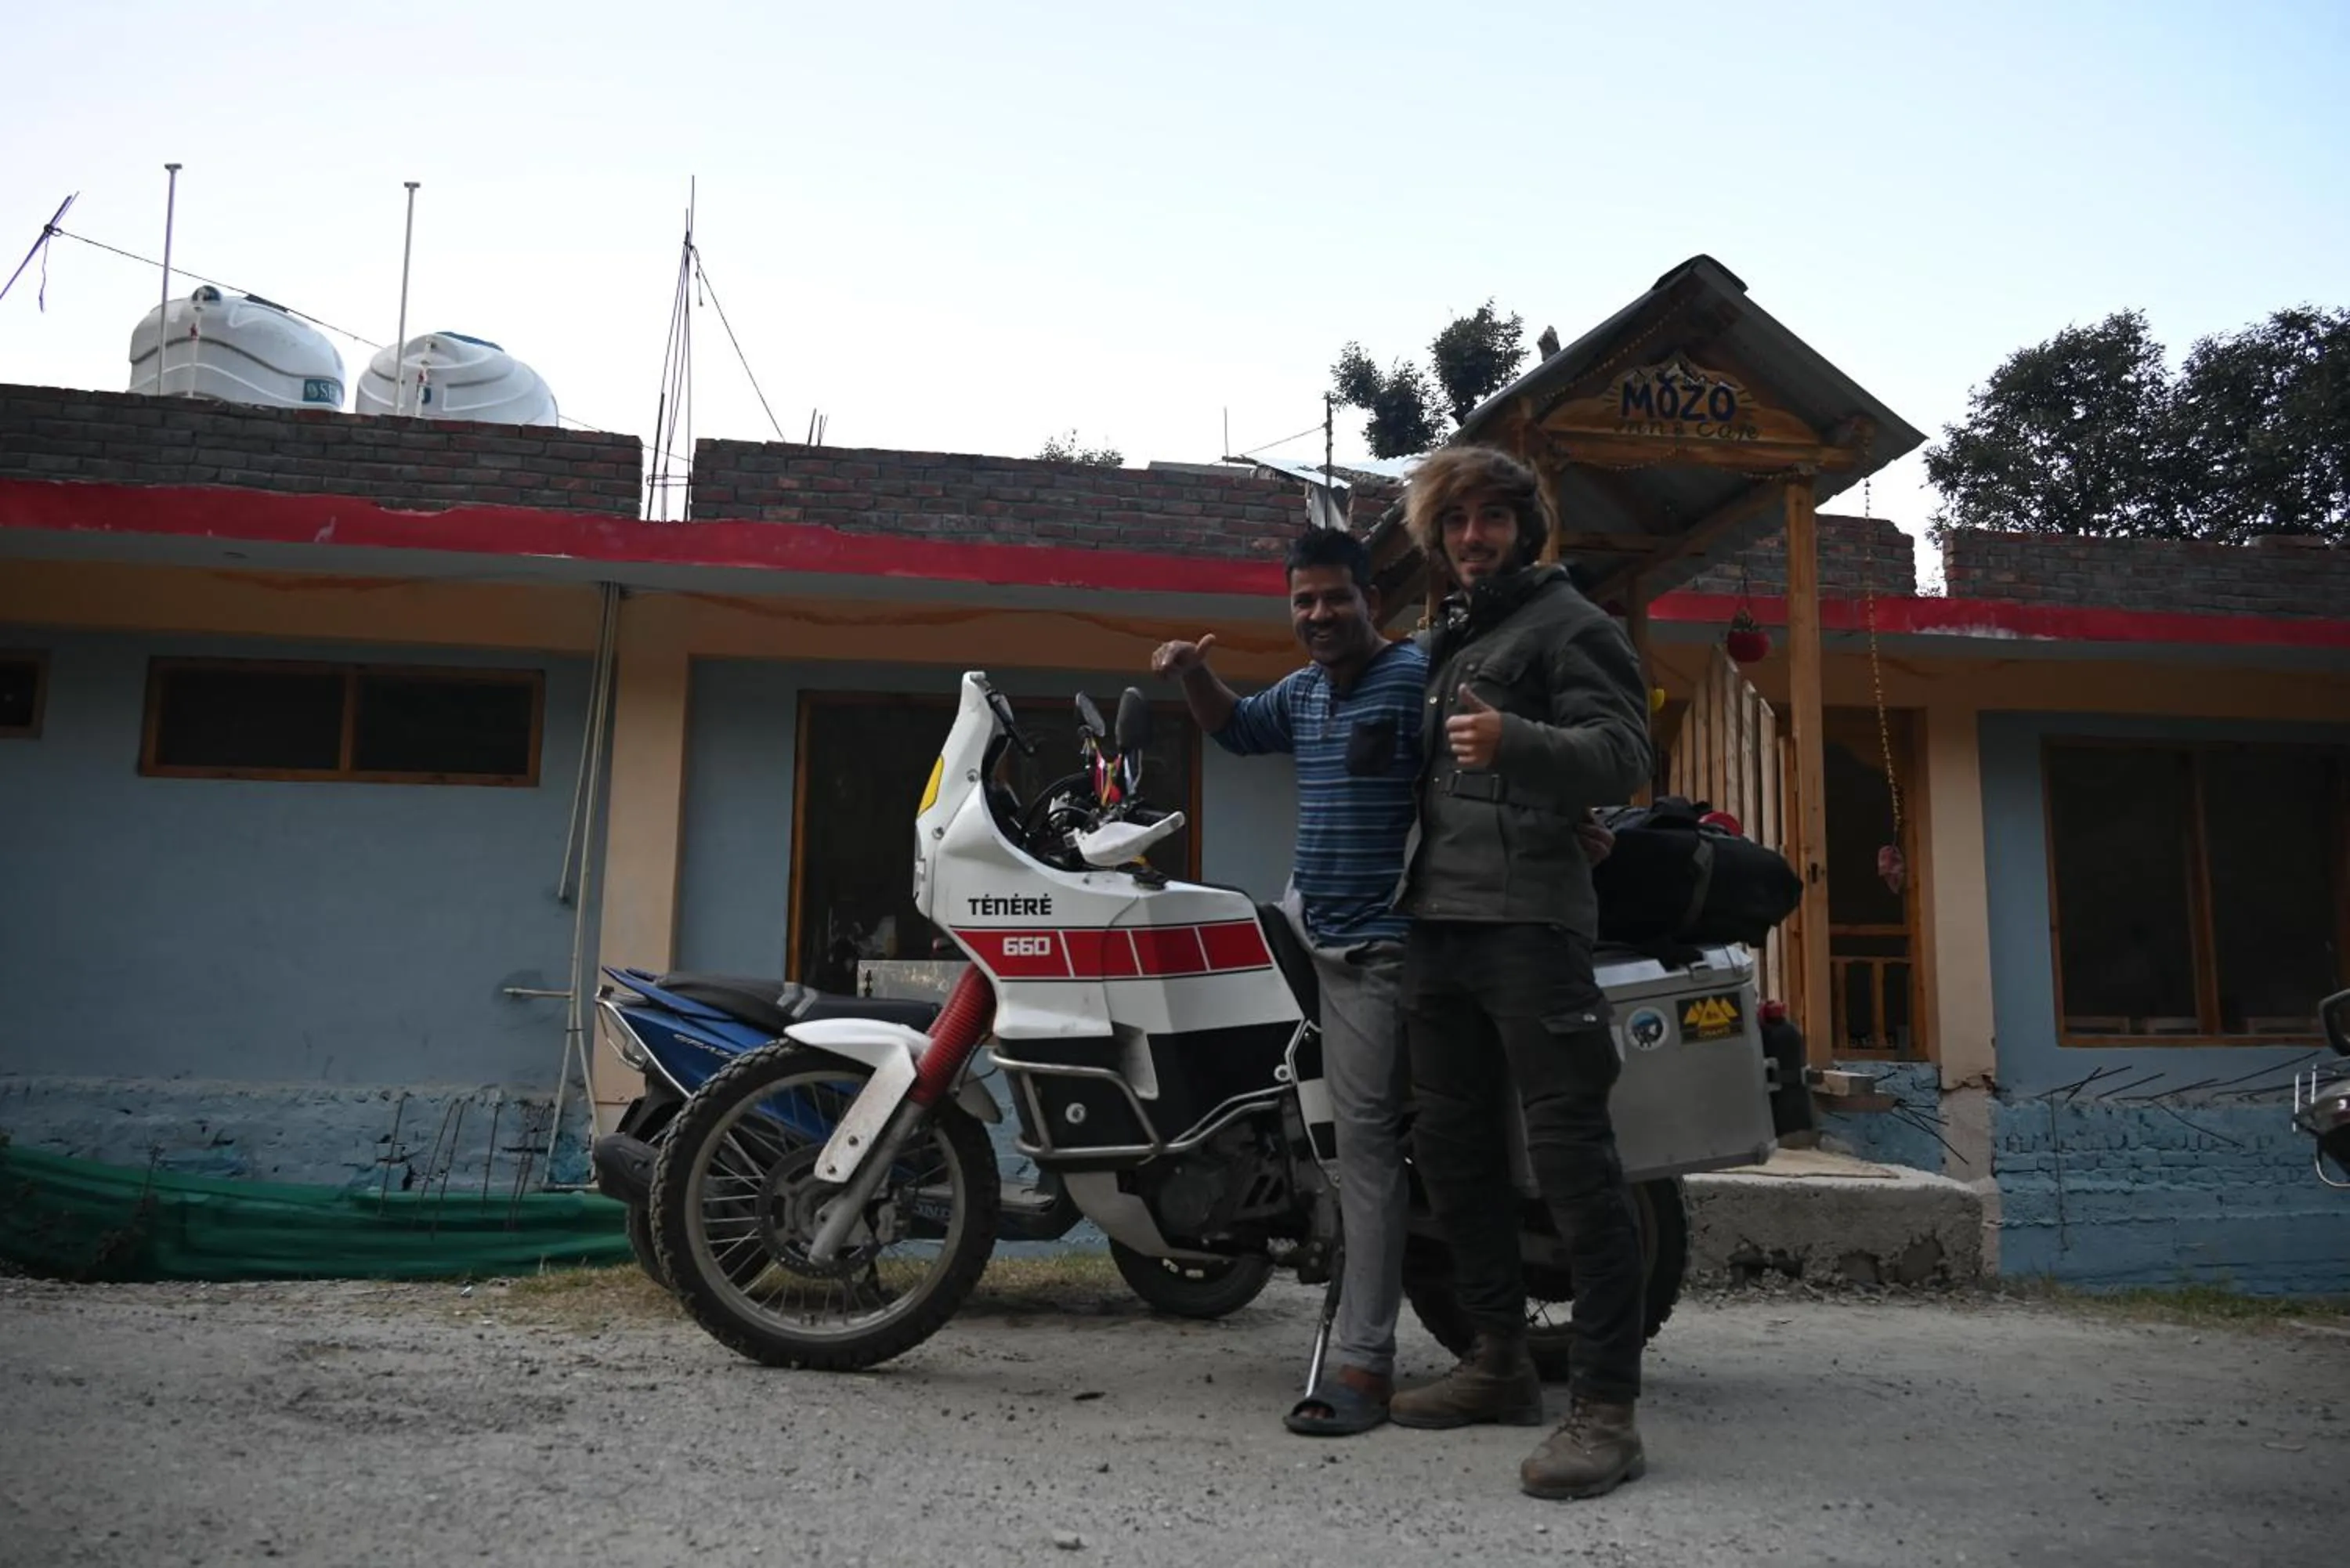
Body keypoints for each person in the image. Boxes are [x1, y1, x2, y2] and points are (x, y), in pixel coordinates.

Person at [1383, 443, 1655, 1501]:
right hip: (1436, 924)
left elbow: (1623, 753)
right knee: (1449, 1153)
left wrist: (1518, 739)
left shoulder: (1570, 626)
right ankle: (1497, 1359)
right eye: (1455, 523)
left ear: (1524, 528)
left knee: (1575, 1163)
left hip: (1530, 924)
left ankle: (1607, 1409)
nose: (1472, 537)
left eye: (1492, 518)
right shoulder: (1450, 637)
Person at [1149, 525, 1425, 1439]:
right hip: (1305, 927)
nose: (1318, 614)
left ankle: (1365, 1363)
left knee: (1366, 1147)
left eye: (1334, 597)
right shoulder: (1304, 694)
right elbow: (1233, 726)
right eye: (1302, 600)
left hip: (1377, 947)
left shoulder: (1417, 678)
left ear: (1369, 600)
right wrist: (1192, 671)